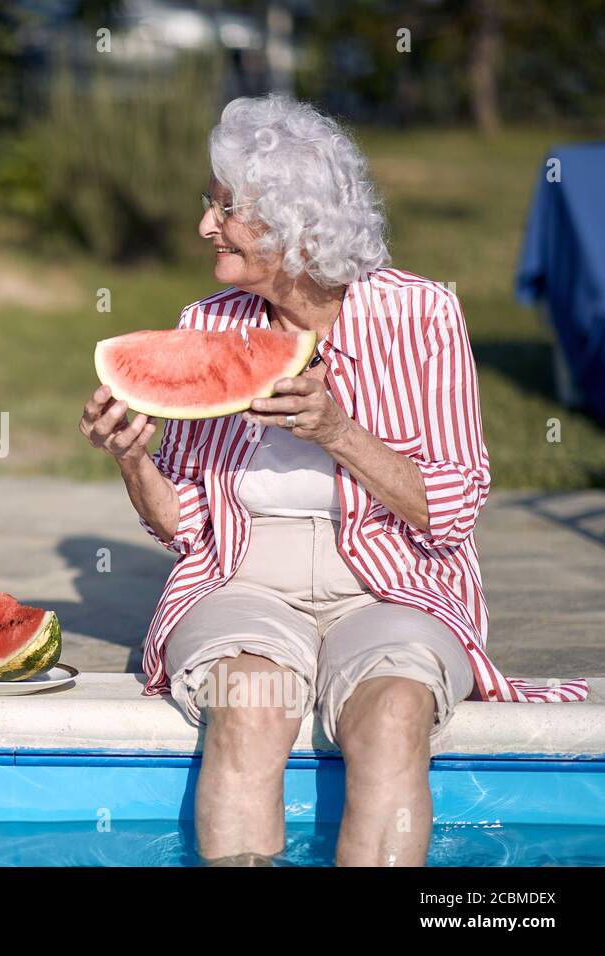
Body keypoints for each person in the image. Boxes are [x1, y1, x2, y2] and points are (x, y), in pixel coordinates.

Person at [80, 94, 587, 867]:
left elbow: (449, 511)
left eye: (223, 207)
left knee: (393, 717)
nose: (203, 226)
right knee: (249, 710)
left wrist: (339, 433)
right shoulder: (207, 324)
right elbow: (182, 526)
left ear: (291, 222)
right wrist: (130, 456)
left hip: (391, 582)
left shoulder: (422, 316)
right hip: (241, 577)